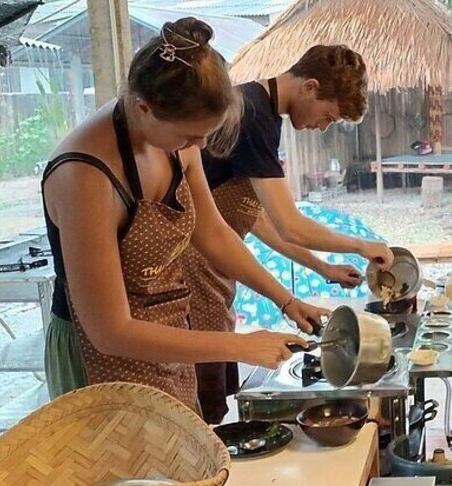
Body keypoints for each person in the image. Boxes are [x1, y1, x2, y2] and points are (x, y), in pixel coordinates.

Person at [42, 18, 327, 410]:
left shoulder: (177, 139)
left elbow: (213, 234)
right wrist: (239, 346)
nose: (200, 146)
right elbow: (109, 330)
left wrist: (286, 301)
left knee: (182, 462)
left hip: (165, 332)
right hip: (99, 351)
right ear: (144, 107)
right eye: (191, 136)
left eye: (206, 135)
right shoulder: (85, 175)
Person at [189, 45, 394, 423]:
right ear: (310, 87)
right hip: (193, 276)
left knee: (217, 396)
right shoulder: (251, 114)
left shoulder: (266, 115)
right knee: (203, 406)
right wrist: (362, 246)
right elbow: (290, 225)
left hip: (215, 275)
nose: (323, 127)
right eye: (328, 117)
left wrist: (322, 269)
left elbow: (256, 219)